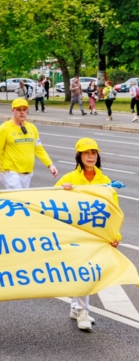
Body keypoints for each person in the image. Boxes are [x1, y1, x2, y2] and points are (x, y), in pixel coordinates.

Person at [58, 137, 120, 332]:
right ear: (79, 156)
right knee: (83, 270)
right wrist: (63, 190)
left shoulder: (105, 181)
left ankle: (76, 307)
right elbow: (49, 200)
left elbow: (113, 210)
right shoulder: (70, 178)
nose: (91, 156)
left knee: (89, 270)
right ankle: (83, 312)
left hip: (97, 233)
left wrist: (115, 234)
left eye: (93, 153)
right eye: (86, 153)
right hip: (76, 232)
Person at [0, 98, 57, 190]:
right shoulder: (4, 129)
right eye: (19, 110)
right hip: (10, 173)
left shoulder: (32, 128)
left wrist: (50, 165)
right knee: (20, 199)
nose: (22, 112)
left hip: (27, 172)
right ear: (12, 111)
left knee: (21, 201)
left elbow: (39, 149)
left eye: (24, 110)